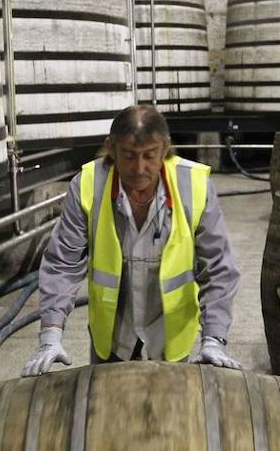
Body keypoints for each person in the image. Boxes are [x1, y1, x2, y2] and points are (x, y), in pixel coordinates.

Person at [22, 105, 243, 375]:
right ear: (111, 148)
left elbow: (219, 266)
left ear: (165, 149)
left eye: (149, 156)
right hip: (114, 339)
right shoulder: (89, 185)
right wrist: (51, 335)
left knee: (172, 412)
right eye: (128, 156)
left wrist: (213, 338)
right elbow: (62, 262)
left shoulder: (193, 186)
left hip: (170, 339)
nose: (139, 168)